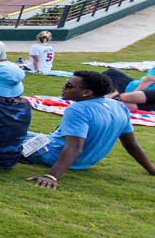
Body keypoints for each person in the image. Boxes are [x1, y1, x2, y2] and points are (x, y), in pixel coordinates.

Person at [22, 71, 155, 187]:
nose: (64, 87)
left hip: (51, 155)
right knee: (22, 134)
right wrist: (151, 170)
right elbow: (131, 144)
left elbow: (75, 147)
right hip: (86, 162)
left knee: (5, 136)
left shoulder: (77, 110)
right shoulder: (118, 106)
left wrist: (51, 176)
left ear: (86, 93)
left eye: (69, 85)